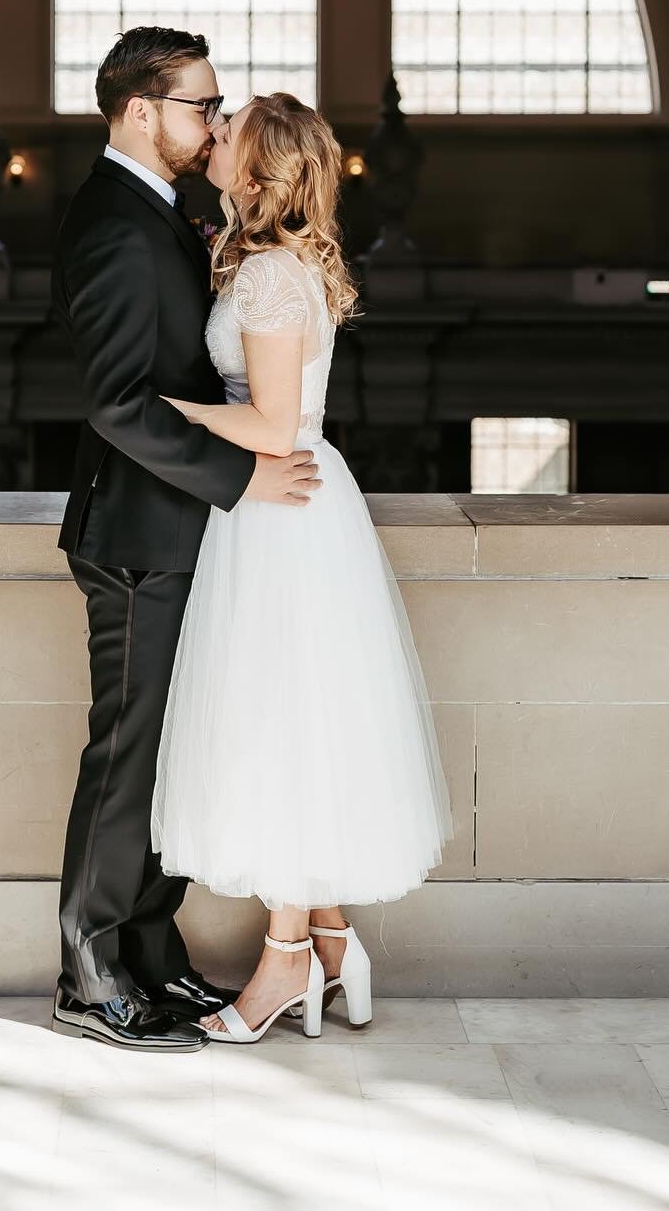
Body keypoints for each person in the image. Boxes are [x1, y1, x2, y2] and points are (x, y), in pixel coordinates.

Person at [152, 91, 453, 1043]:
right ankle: (330, 943)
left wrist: (165, 410)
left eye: (229, 124)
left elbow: (273, 426)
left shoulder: (274, 276)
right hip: (280, 511)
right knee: (293, 722)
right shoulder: (267, 262)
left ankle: (285, 964)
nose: (216, 126)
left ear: (257, 164)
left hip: (281, 513)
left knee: (277, 723)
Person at [49, 29, 321, 1053]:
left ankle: (150, 954)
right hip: (136, 536)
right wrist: (246, 474)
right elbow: (119, 403)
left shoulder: (165, 212)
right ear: (139, 111)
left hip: (181, 531)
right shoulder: (115, 226)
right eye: (202, 104)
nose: (215, 119)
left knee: (166, 757)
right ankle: (90, 970)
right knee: (124, 759)